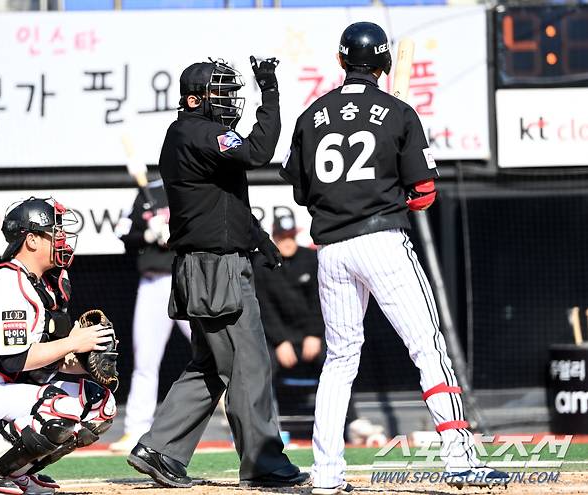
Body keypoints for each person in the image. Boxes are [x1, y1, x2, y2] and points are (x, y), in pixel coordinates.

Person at [280, 22, 509, 494]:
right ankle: (460, 461)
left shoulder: (312, 114)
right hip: (382, 239)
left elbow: (301, 192)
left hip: (332, 249)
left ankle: (326, 474)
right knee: (428, 348)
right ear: (383, 64)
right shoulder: (398, 112)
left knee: (340, 361)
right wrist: (390, 191)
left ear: (341, 61)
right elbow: (424, 195)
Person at [126, 56, 309, 489]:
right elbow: (259, 151)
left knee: (211, 366)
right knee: (249, 365)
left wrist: (259, 240)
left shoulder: (190, 134)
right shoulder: (200, 131)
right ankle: (264, 463)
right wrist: (271, 93)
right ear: (194, 99)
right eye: (220, 93)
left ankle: (160, 449)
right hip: (216, 267)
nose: (229, 101)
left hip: (204, 264)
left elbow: (221, 203)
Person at [0, 197, 117, 495]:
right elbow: (14, 361)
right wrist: (74, 341)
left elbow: (46, 359)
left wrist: (84, 357)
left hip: (8, 390)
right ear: (32, 240)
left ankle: (15, 470)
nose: (62, 239)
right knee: (59, 406)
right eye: (54, 232)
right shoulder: (9, 282)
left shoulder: (46, 284)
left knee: (99, 404)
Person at [252, 211, 384, 446]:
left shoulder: (311, 259)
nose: (287, 241)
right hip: (278, 340)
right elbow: (263, 308)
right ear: (274, 236)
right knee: (261, 365)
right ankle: (266, 430)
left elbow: (320, 301)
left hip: (310, 336)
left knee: (338, 359)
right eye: (282, 236)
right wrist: (280, 341)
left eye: (290, 236)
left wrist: (313, 335)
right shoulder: (262, 263)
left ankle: (350, 422)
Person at [109, 181, 191, 453]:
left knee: (219, 351)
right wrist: (147, 235)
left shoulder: (191, 185)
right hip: (154, 282)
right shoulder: (148, 194)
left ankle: (242, 426)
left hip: (188, 279)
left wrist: (176, 233)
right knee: (145, 359)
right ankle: (136, 429)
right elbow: (123, 234)